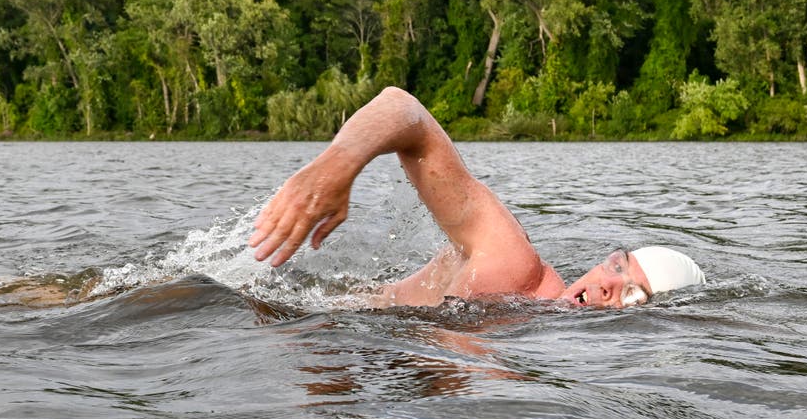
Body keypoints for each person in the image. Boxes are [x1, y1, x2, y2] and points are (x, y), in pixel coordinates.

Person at [249, 86, 705, 309]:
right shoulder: (515, 266)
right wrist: (335, 167)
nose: (608, 285)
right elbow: (402, 109)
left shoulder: (535, 333)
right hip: (283, 307)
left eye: (630, 297)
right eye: (618, 266)